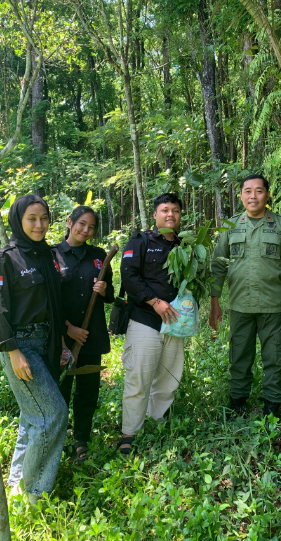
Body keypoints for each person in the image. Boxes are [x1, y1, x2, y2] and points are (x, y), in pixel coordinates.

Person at [0, 195, 68, 503]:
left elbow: (53, 303)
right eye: (32, 219)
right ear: (18, 221)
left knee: (33, 416)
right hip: (21, 346)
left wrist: (60, 342)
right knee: (53, 412)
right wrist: (12, 351)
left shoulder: (47, 255)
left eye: (44, 218)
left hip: (47, 341)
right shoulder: (6, 258)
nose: (39, 224)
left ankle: (16, 485)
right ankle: (34, 495)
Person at [210, 175, 281, 418]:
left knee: (275, 358)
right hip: (239, 306)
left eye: (259, 191)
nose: (253, 196)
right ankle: (237, 404)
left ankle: (272, 406)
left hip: (274, 307)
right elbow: (218, 266)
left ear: (267, 195)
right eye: (247, 191)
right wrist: (214, 303)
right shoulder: (230, 226)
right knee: (238, 357)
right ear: (240, 195)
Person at [119, 193, 183, 454]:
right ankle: (129, 433)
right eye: (165, 210)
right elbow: (128, 276)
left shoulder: (185, 245)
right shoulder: (141, 240)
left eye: (175, 210)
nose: (170, 215)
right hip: (145, 320)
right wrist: (154, 301)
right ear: (155, 215)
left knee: (168, 378)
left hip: (176, 324)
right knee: (139, 378)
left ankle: (156, 424)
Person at [53, 206, 115, 465]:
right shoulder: (52, 255)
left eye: (91, 227)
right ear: (69, 222)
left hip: (91, 336)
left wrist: (103, 290)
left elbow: (111, 295)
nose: (85, 230)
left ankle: (81, 440)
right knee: (60, 391)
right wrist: (68, 329)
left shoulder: (99, 256)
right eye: (81, 224)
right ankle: (57, 441)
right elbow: (47, 299)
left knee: (88, 392)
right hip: (62, 338)